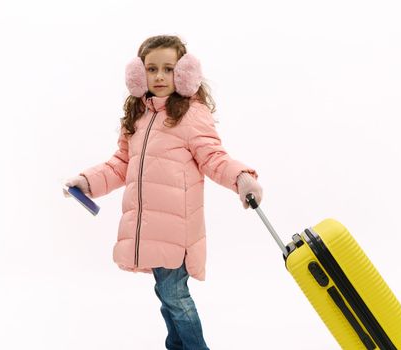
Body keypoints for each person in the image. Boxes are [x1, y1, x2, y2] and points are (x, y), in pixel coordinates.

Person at [63, 34, 263, 350]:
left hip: (177, 228)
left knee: (174, 294)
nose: (159, 76)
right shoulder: (138, 117)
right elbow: (120, 165)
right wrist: (87, 181)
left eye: (168, 69)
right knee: (166, 291)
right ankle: (177, 345)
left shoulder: (190, 115)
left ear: (184, 73)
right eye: (152, 69)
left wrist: (241, 177)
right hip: (148, 227)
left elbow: (213, 157)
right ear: (138, 74)